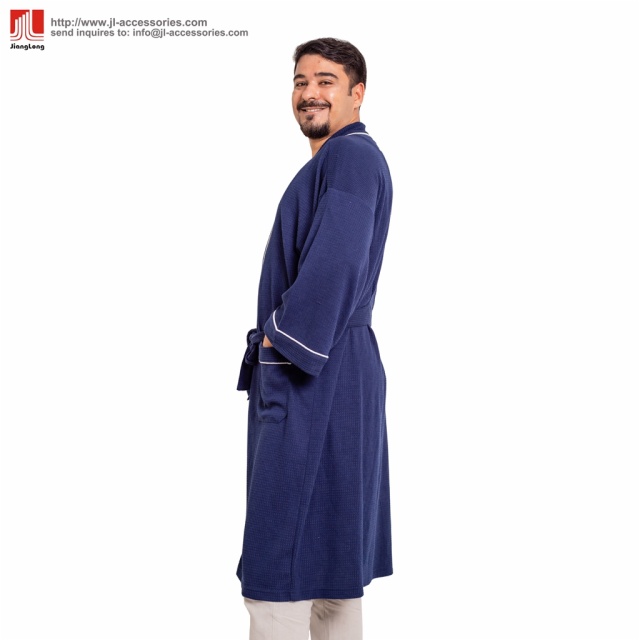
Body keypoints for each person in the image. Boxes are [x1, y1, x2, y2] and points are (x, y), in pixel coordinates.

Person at [236, 37, 393, 640]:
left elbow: (339, 260)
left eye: (327, 81)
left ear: (357, 93)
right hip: (338, 367)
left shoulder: (349, 158)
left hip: (312, 369)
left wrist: (280, 343)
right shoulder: (341, 161)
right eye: (301, 81)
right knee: (331, 562)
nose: (310, 92)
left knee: (279, 566)